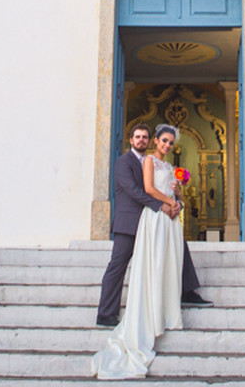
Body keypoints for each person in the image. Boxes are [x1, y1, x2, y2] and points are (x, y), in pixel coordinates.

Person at [92, 124, 211, 379]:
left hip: (157, 218)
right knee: (118, 265)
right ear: (132, 139)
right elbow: (138, 190)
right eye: (138, 136)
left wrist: (176, 199)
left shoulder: (161, 163)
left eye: (145, 137)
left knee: (175, 255)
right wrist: (164, 204)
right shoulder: (125, 162)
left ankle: (185, 292)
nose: (142, 140)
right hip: (133, 219)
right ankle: (106, 313)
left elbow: (166, 188)